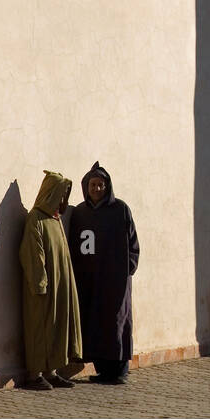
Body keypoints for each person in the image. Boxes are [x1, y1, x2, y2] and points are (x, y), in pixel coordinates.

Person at [68, 161, 140, 385]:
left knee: (116, 321)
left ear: (107, 187)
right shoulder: (80, 213)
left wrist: (128, 267)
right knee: (95, 322)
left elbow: (133, 242)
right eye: (93, 185)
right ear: (86, 186)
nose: (97, 189)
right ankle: (102, 370)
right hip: (90, 280)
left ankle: (119, 371)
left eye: (100, 185)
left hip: (116, 280)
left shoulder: (120, 209)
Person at [19, 171, 83, 390]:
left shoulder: (55, 220)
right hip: (42, 290)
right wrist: (40, 284)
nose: (64, 200)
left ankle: (51, 371)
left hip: (60, 287)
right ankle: (34, 374)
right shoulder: (35, 219)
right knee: (39, 330)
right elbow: (33, 255)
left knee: (56, 329)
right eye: (60, 194)